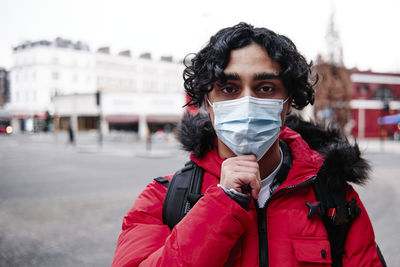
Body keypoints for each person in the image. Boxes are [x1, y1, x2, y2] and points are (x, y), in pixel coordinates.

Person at [112, 22, 385, 266]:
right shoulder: (162, 199)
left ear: (288, 102)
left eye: (265, 88)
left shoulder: (335, 199)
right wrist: (222, 204)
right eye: (228, 89)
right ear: (207, 103)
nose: (247, 102)